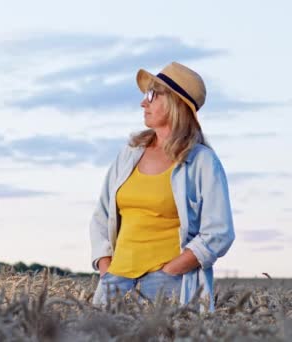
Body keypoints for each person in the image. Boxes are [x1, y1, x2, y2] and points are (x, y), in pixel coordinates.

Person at [89, 61, 235, 311]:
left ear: (175, 103)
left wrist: (170, 272)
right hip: (115, 282)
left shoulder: (201, 161)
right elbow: (101, 215)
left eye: (152, 95)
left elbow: (219, 232)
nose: (143, 102)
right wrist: (106, 268)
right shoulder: (130, 154)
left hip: (167, 284)